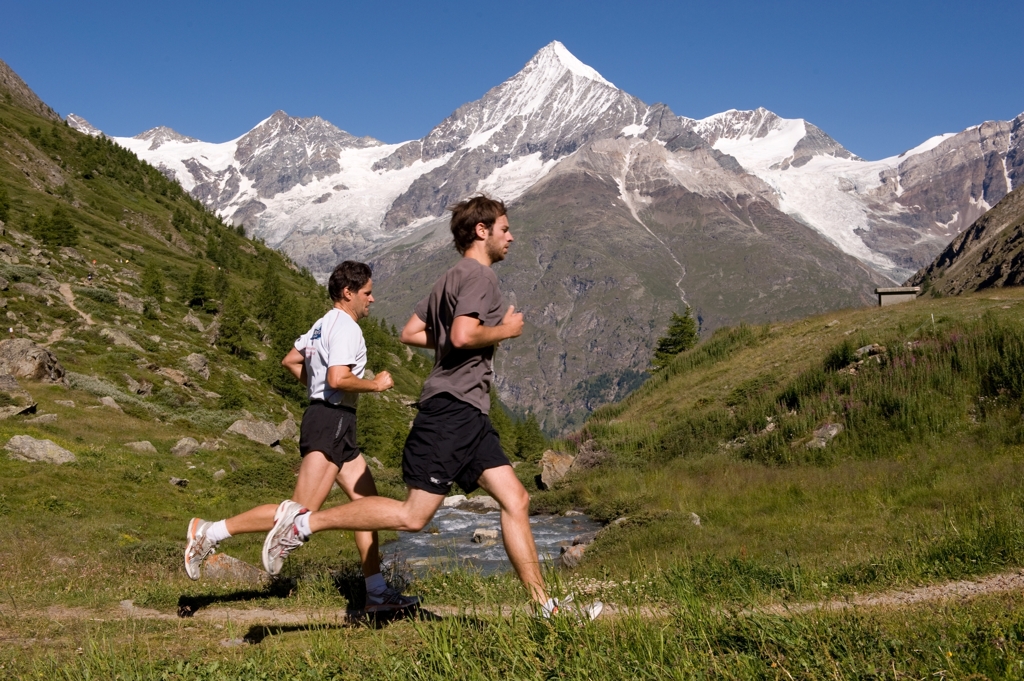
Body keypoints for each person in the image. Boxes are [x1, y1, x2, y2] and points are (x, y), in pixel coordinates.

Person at [261, 197, 601, 620]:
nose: (511, 236)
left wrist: (459, 342)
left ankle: (545, 607)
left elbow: (410, 333)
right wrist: (504, 332)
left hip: (470, 411)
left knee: (516, 498)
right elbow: (461, 335)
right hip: (452, 410)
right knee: (413, 516)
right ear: (482, 231)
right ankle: (302, 525)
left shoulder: (449, 278)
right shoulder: (480, 276)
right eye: (505, 229)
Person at [184, 260, 419, 614]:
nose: (372, 300)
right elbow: (339, 379)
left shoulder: (323, 323)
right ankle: (208, 532)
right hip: (332, 420)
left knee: (366, 507)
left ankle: (376, 592)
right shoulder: (347, 328)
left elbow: (291, 360)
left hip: (332, 419)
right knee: (295, 515)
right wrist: (374, 384)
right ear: (348, 292)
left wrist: (317, 389)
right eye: (368, 293)